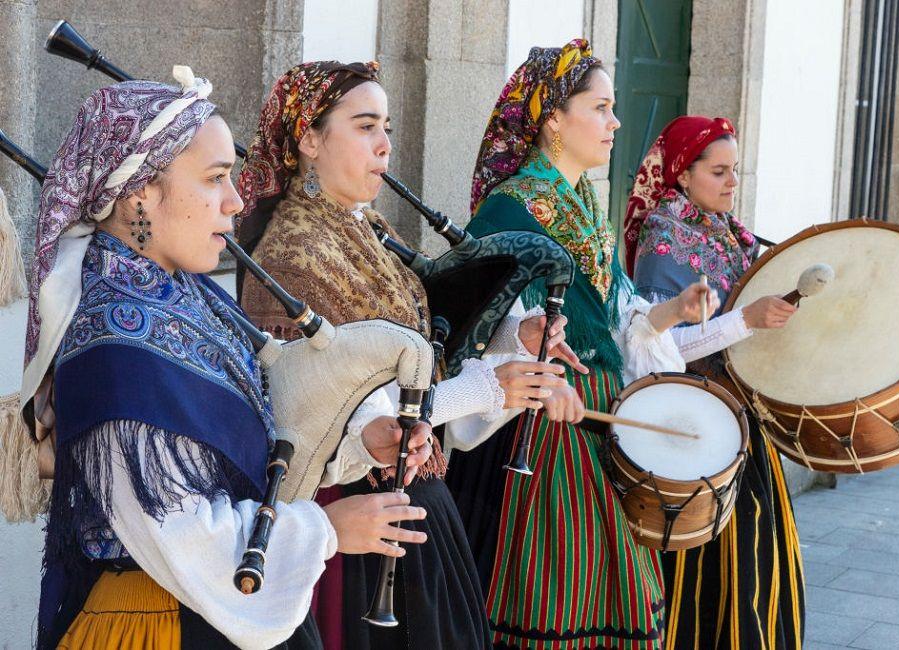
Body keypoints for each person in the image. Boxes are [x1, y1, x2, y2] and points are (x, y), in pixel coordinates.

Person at [24, 68, 432, 650]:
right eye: (216, 179)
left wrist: (355, 446)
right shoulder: (112, 341)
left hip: (223, 609)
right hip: (163, 622)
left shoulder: (186, 296)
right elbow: (183, 536)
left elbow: (249, 446)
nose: (237, 201)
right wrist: (327, 530)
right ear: (142, 193)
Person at [235, 60, 582, 649]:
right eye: (366, 127)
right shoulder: (292, 257)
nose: (385, 145)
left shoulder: (364, 229)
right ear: (309, 139)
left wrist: (509, 343)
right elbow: (334, 419)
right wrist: (490, 388)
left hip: (409, 506)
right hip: (357, 530)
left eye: (387, 128)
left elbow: (417, 358)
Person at [452, 39, 736, 649]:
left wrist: (674, 311)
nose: (616, 122)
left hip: (599, 418)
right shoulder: (509, 209)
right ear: (554, 117)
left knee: (615, 591)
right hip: (541, 429)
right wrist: (526, 345)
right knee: (556, 600)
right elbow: (470, 328)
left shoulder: (584, 201)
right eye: (601, 108)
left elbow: (616, 315)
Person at [623, 115, 804, 649]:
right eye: (718, 171)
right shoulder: (665, 242)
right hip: (695, 430)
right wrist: (745, 319)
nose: (731, 183)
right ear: (682, 175)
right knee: (711, 581)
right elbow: (661, 349)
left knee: (760, 563)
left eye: (735, 171)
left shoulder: (730, 234)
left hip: (741, 419)